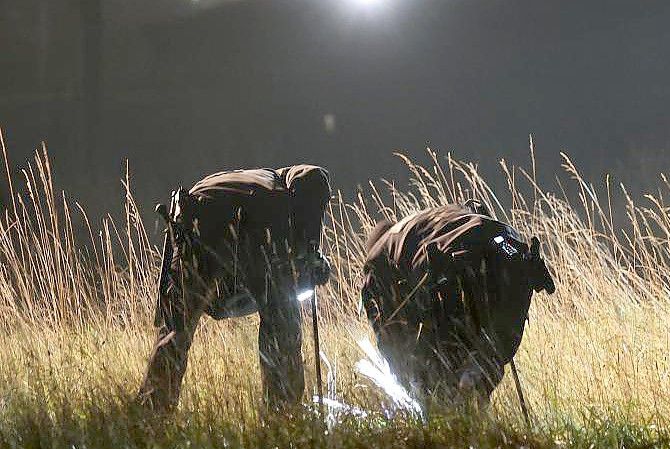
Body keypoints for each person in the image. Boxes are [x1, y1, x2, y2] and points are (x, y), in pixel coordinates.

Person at [138, 165, 331, 411]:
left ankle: (149, 416)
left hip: (191, 220)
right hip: (251, 226)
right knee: (282, 322)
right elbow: (291, 274)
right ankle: (283, 418)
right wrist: (310, 262)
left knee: (176, 330)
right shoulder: (285, 197)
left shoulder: (254, 180)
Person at [361, 201, 555, 404]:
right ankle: (474, 392)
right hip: (510, 250)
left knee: (445, 372)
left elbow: (389, 337)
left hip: (452, 263)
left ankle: (459, 416)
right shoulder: (431, 221)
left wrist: (409, 382)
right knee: (492, 350)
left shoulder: (378, 257)